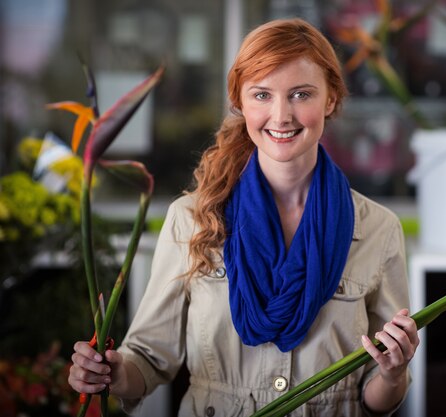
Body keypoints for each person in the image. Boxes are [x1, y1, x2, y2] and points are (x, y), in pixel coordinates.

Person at [68, 18, 419, 416]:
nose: (281, 115)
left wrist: (393, 374)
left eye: (301, 94)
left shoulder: (378, 228)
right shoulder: (192, 220)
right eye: (262, 94)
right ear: (240, 101)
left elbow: (376, 398)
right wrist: (110, 373)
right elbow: (148, 361)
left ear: (332, 99)